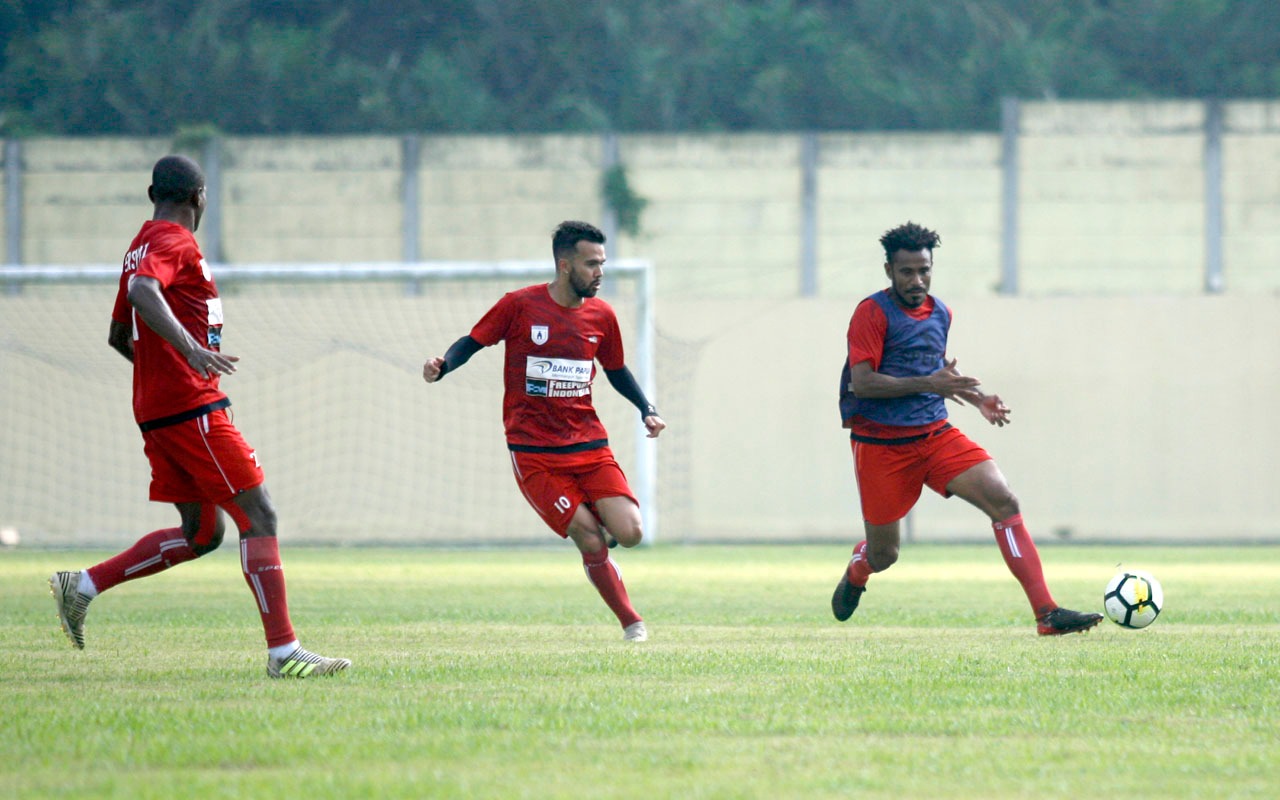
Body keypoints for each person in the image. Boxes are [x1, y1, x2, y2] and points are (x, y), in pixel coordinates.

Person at [49, 155, 350, 678]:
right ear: (199, 198)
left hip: (158, 410)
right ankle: (284, 653)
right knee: (260, 515)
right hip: (191, 407)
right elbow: (144, 294)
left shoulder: (137, 247)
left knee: (201, 533)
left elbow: (119, 335)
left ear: (151, 194)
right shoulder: (173, 241)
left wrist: (164, 371)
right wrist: (189, 354)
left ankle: (83, 585)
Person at [832, 221, 1102, 636]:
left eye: (925, 270)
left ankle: (1046, 613)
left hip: (935, 435)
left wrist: (979, 399)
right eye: (907, 272)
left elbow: (934, 370)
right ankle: (859, 567)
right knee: (886, 554)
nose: (917, 280)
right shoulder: (871, 313)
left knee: (1004, 500)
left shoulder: (941, 312)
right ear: (889, 271)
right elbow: (864, 382)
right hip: (881, 447)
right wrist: (930, 384)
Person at [422, 220, 664, 642]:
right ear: (565, 265)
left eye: (603, 263)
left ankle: (595, 524)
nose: (600, 272)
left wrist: (646, 408)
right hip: (534, 452)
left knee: (632, 533)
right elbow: (473, 341)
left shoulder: (602, 315)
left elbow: (615, 370)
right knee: (590, 539)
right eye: (592, 264)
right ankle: (633, 623)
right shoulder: (519, 306)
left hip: (589, 445)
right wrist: (443, 365)